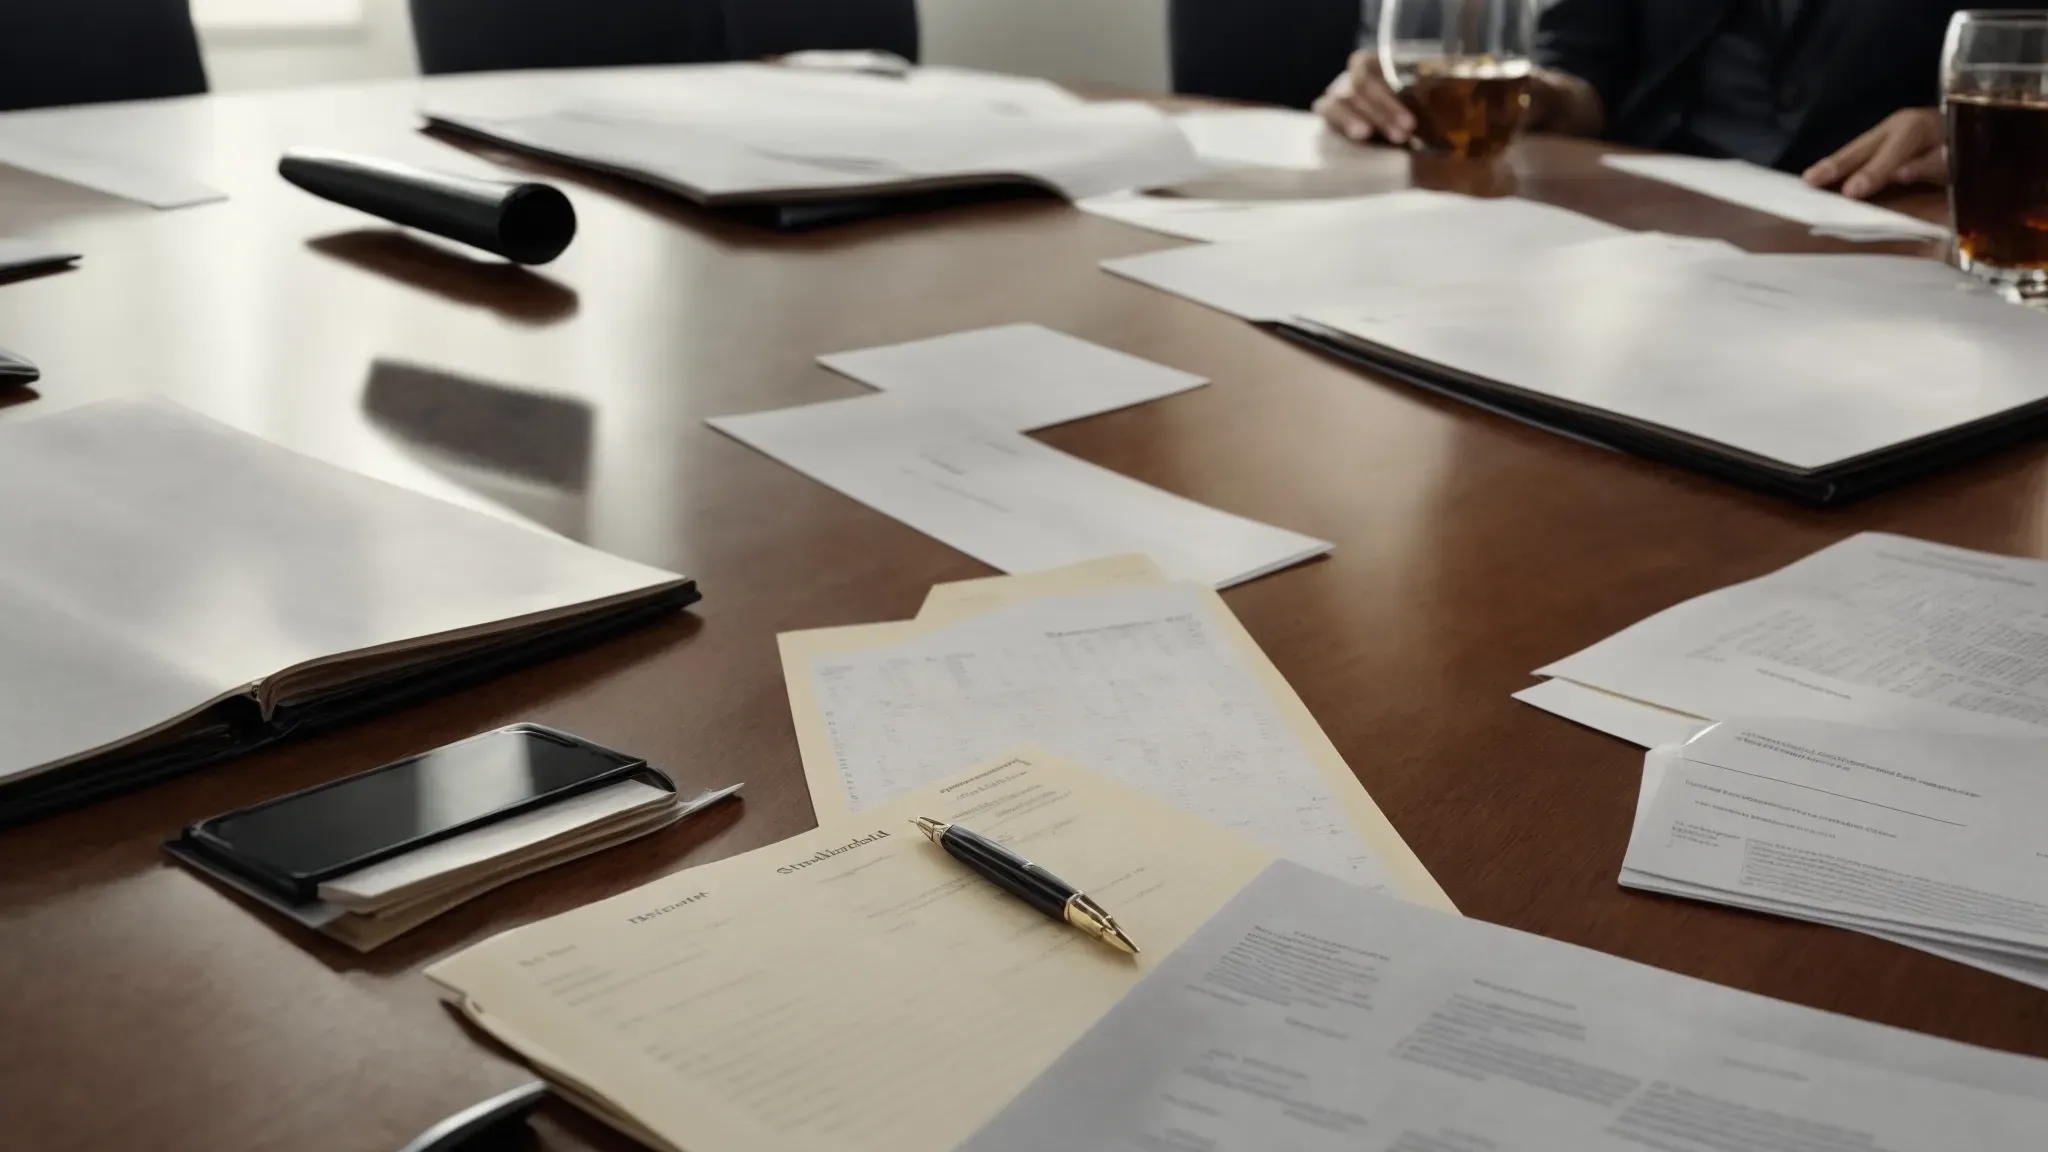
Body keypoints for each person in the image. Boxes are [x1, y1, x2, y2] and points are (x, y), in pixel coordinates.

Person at [1314, 0, 2037, 199]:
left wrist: (1963, 132)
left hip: (1890, 241)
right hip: (1638, 251)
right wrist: (1527, 97)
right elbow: (1581, 76)